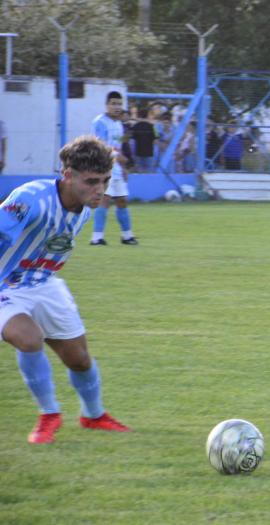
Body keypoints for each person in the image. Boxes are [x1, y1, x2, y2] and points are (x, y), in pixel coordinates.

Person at [1, 135, 132, 444]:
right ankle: (49, 414)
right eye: (91, 181)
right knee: (29, 338)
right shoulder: (30, 198)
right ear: (67, 175)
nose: (100, 190)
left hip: (44, 284)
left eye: (105, 181)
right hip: (4, 284)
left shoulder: (86, 204)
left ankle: (94, 415)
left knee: (79, 359)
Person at [89, 91, 138, 246]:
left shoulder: (119, 124)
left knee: (122, 200)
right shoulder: (99, 122)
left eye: (119, 104)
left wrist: (124, 166)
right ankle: (97, 237)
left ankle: (127, 236)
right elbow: (100, 145)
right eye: (113, 103)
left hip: (116, 168)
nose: (117, 107)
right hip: (103, 167)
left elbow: (119, 146)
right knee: (104, 200)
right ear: (107, 105)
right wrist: (118, 157)